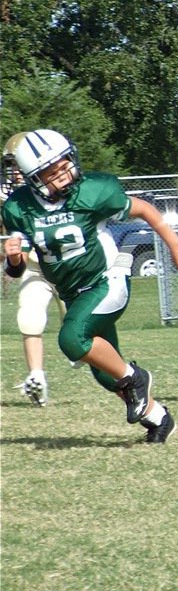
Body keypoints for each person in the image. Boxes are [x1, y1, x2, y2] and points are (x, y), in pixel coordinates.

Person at [1, 129, 178, 442]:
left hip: (107, 280)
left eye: (64, 161)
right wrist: (12, 257)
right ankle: (159, 418)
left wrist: (177, 246)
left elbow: (145, 209)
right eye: (51, 169)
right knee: (106, 373)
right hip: (74, 294)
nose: (63, 171)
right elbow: (17, 266)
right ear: (33, 178)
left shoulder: (92, 190)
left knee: (73, 339)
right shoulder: (19, 208)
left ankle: (137, 377)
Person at [1, 133, 62, 407]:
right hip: (35, 268)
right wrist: (12, 259)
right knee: (29, 317)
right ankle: (37, 376)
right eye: (11, 166)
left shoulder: (61, 189)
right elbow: (13, 250)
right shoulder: (12, 202)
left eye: (18, 165)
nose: (15, 172)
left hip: (69, 267)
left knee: (79, 330)